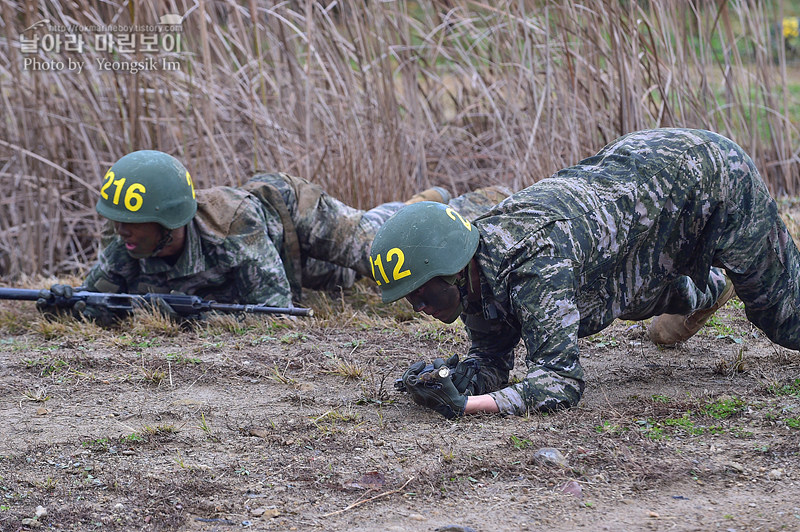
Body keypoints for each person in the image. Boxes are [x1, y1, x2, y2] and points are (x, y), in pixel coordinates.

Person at [369, 128, 800, 419]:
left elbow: (558, 383)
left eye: (421, 293)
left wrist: (466, 408)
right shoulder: (474, 273)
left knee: (783, 316)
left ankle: (724, 279)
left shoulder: (535, 261)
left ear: (453, 271)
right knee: (626, 298)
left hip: (708, 177)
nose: (419, 306)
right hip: (642, 231)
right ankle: (708, 288)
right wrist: (449, 383)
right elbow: (492, 361)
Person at [36, 150, 509, 322]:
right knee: (347, 285)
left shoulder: (232, 226)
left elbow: (278, 311)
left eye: (131, 224)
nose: (121, 233)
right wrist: (64, 305)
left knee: (387, 254)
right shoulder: (126, 240)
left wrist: (190, 320)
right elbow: (95, 300)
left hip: (291, 215)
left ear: (170, 220)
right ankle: (414, 202)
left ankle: (472, 205)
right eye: (117, 222)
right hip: (278, 257)